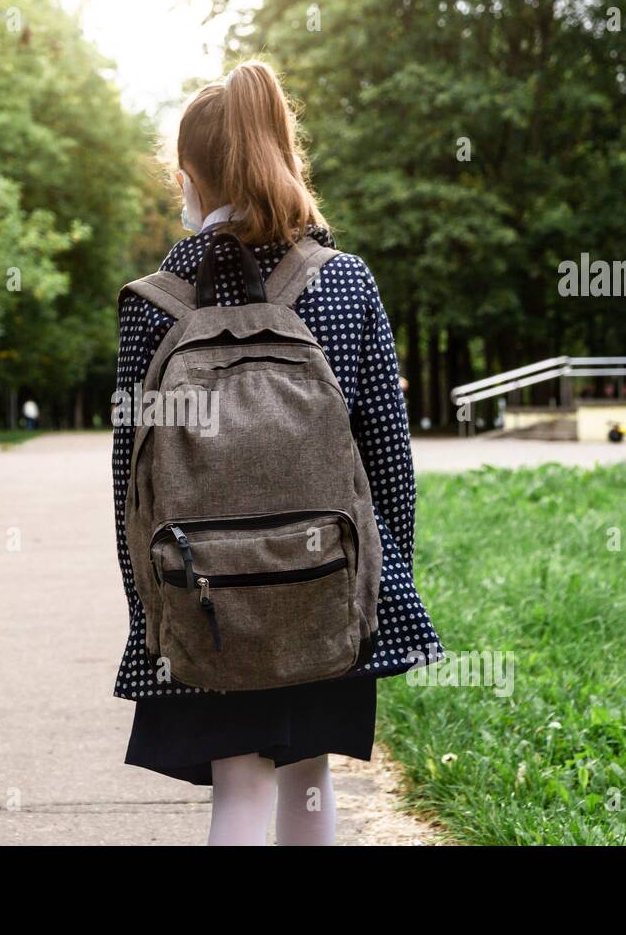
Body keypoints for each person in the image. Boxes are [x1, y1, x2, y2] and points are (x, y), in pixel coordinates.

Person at [111, 61, 443, 845]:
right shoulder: (344, 282)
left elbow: (130, 486)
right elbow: (389, 461)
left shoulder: (152, 306)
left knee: (241, 789)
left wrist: (149, 611)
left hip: (204, 597)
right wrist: (377, 587)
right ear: (281, 153)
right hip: (324, 581)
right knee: (311, 781)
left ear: (188, 176)